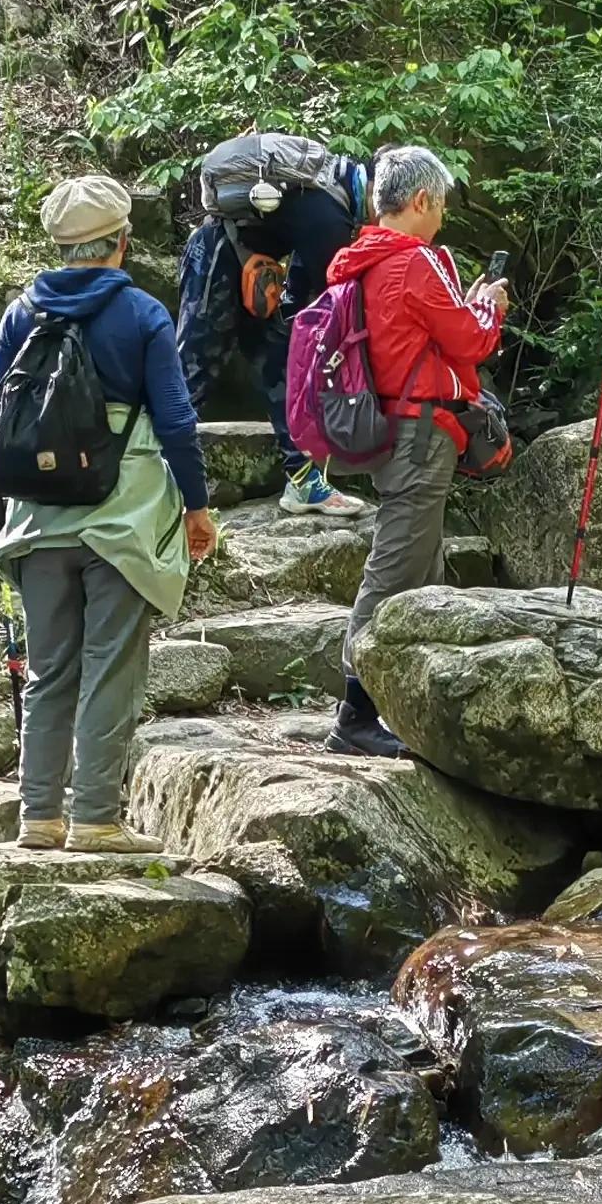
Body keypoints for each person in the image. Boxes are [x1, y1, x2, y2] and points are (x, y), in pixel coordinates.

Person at [0, 174, 219, 848]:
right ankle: (93, 820)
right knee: (111, 667)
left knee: (49, 670)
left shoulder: (21, 311)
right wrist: (196, 506)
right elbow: (175, 419)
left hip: (36, 518)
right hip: (120, 518)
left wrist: (8, 509)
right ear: (120, 242)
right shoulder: (143, 314)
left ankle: (38, 817)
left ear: (63, 247)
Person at [322, 143, 510, 757]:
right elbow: (470, 341)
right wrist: (490, 305)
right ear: (422, 199)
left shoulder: (365, 261)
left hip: (387, 425)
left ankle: (399, 705)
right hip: (419, 434)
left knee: (421, 571)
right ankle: (354, 713)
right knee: (396, 570)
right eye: (443, 204)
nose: (445, 218)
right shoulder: (416, 262)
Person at [174, 133, 368, 503]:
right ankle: (149, 476)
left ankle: (303, 482)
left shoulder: (322, 197)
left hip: (248, 269)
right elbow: (329, 290)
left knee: (278, 364)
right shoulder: (330, 216)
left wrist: (289, 314)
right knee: (192, 375)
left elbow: (301, 281)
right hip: (216, 261)